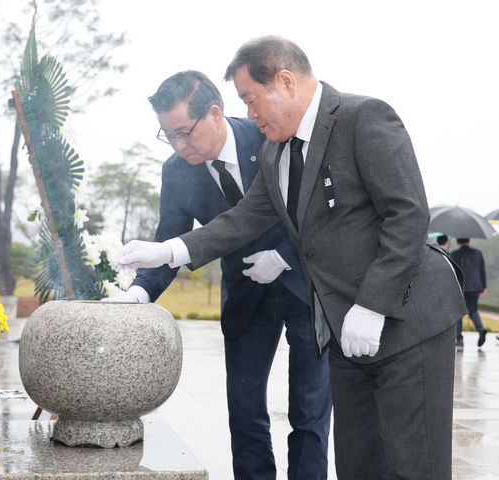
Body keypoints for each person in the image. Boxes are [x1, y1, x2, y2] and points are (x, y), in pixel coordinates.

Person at [113, 36, 467, 480]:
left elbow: (409, 214)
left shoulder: (363, 117)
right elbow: (242, 219)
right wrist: (166, 251)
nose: (251, 112)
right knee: (358, 463)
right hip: (341, 325)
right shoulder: (278, 150)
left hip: (405, 319)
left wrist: (372, 303)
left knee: (413, 463)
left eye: (251, 99)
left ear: (285, 81)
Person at [106, 71, 331, 480]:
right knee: (244, 411)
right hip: (245, 294)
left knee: (309, 409)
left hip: (303, 284)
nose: (178, 145)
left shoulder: (270, 135)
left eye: (184, 133)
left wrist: (283, 255)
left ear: (214, 114)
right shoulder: (177, 171)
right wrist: (137, 294)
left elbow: (316, 208)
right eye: (167, 135)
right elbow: (170, 241)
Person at [450, 238, 488, 347]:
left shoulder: (454, 254)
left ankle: (459, 338)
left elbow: (452, 272)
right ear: (469, 241)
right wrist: (483, 286)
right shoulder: (478, 253)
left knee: (459, 311)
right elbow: (482, 271)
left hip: (460, 286)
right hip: (475, 286)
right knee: (473, 310)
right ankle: (480, 329)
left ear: (457, 242)